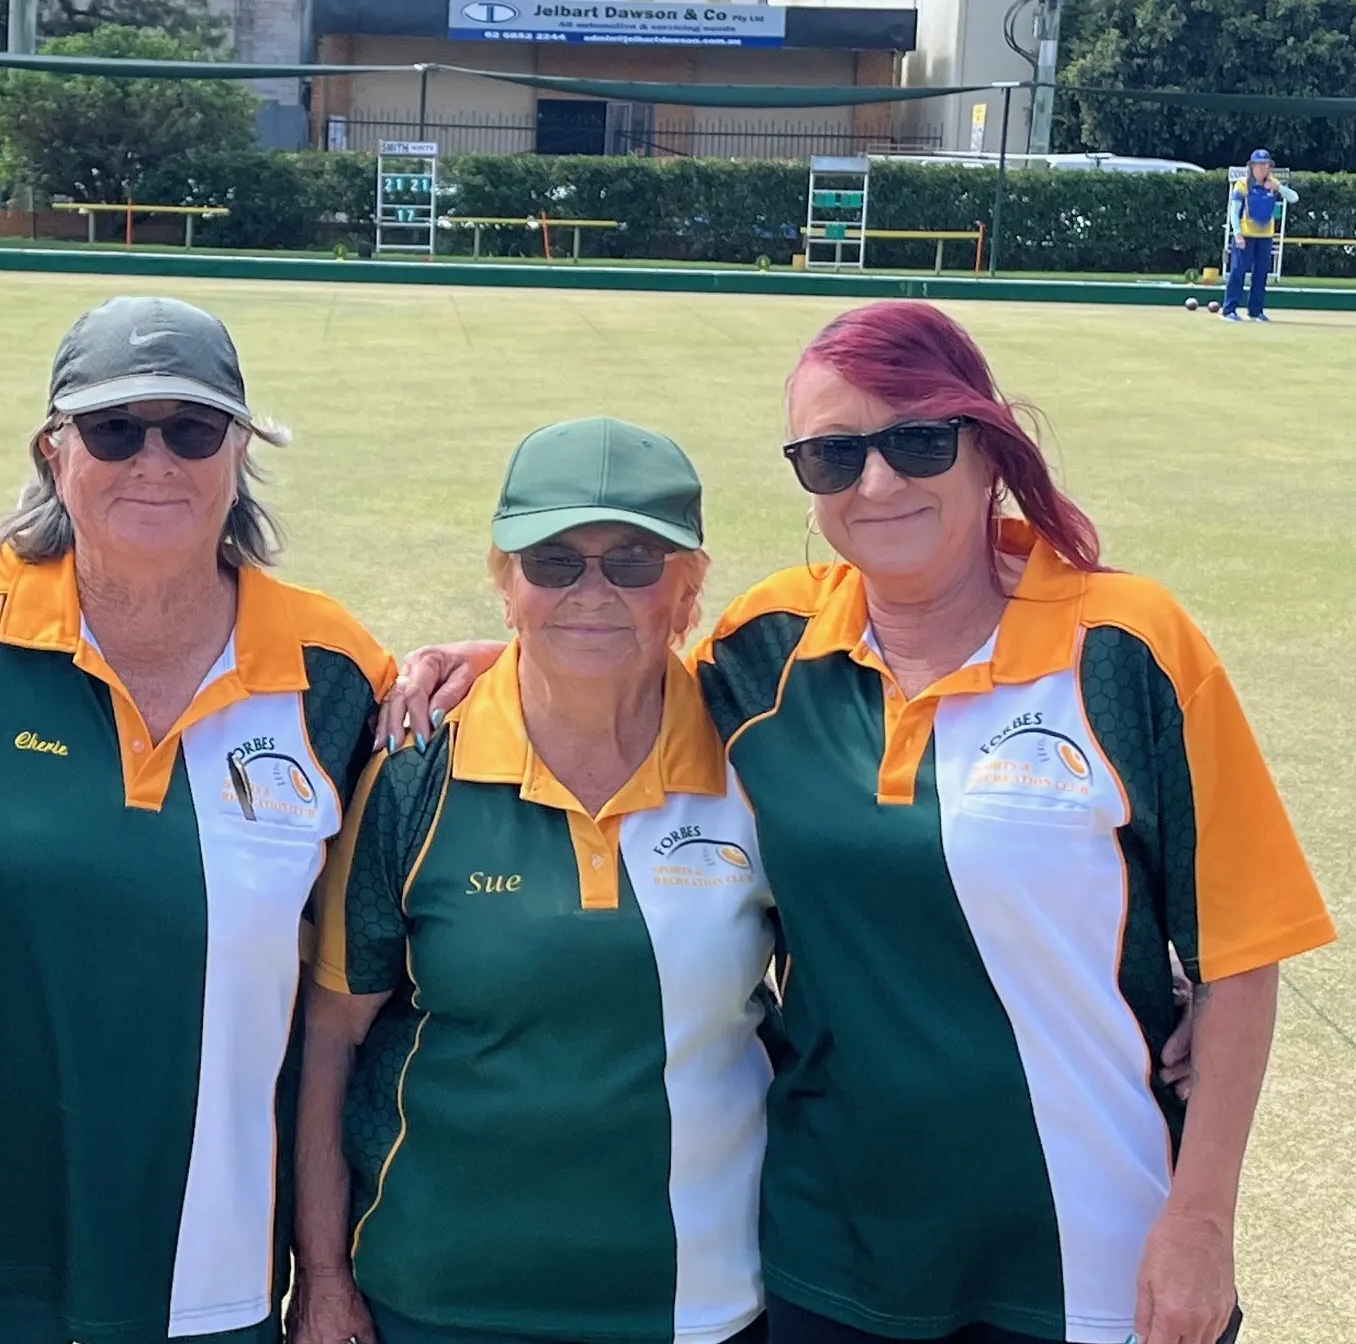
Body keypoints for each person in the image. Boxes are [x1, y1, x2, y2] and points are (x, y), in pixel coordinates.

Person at [380, 301, 1334, 1344]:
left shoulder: (1128, 646)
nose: (877, 483)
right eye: (833, 456)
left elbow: (1240, 953)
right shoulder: (769, 650)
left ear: (989, 447)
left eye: (917, 440)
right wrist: (494, 654)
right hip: (833, 1258)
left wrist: (1199, 1223)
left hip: (1097, 1242)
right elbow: (622, 655)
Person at [0, 296, 396, 1344]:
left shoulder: (336, 675)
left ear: (238, 452)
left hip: (216, 1256)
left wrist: (483, 663)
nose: (156, 461)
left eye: (192, 430)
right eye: (114, 429)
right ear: (55, 452)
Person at [291, 418, 775, 1344]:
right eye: (553, 561)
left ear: (689, 591)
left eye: (633, 561)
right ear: (504, 583)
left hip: (696, 1301)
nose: (591, 592)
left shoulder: (755, 755)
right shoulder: (414, 770)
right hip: (436, 1300)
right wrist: (320, 1277)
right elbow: (332, 1034)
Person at [1222, 148, 1298, 322]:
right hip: (1245, 236)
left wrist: (1278, 187)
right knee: (1237, 272)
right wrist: (1238, 234)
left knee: (1261, 274)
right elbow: (1234, 212)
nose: (1263, 168)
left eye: (1266, 165)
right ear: (1252, 166)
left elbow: (1294, 198)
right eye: (1259, 165)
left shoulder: (1273, 183)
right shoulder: (1242, 184)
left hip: (1265, 237)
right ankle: (1229, 310)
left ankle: (1255, 311)